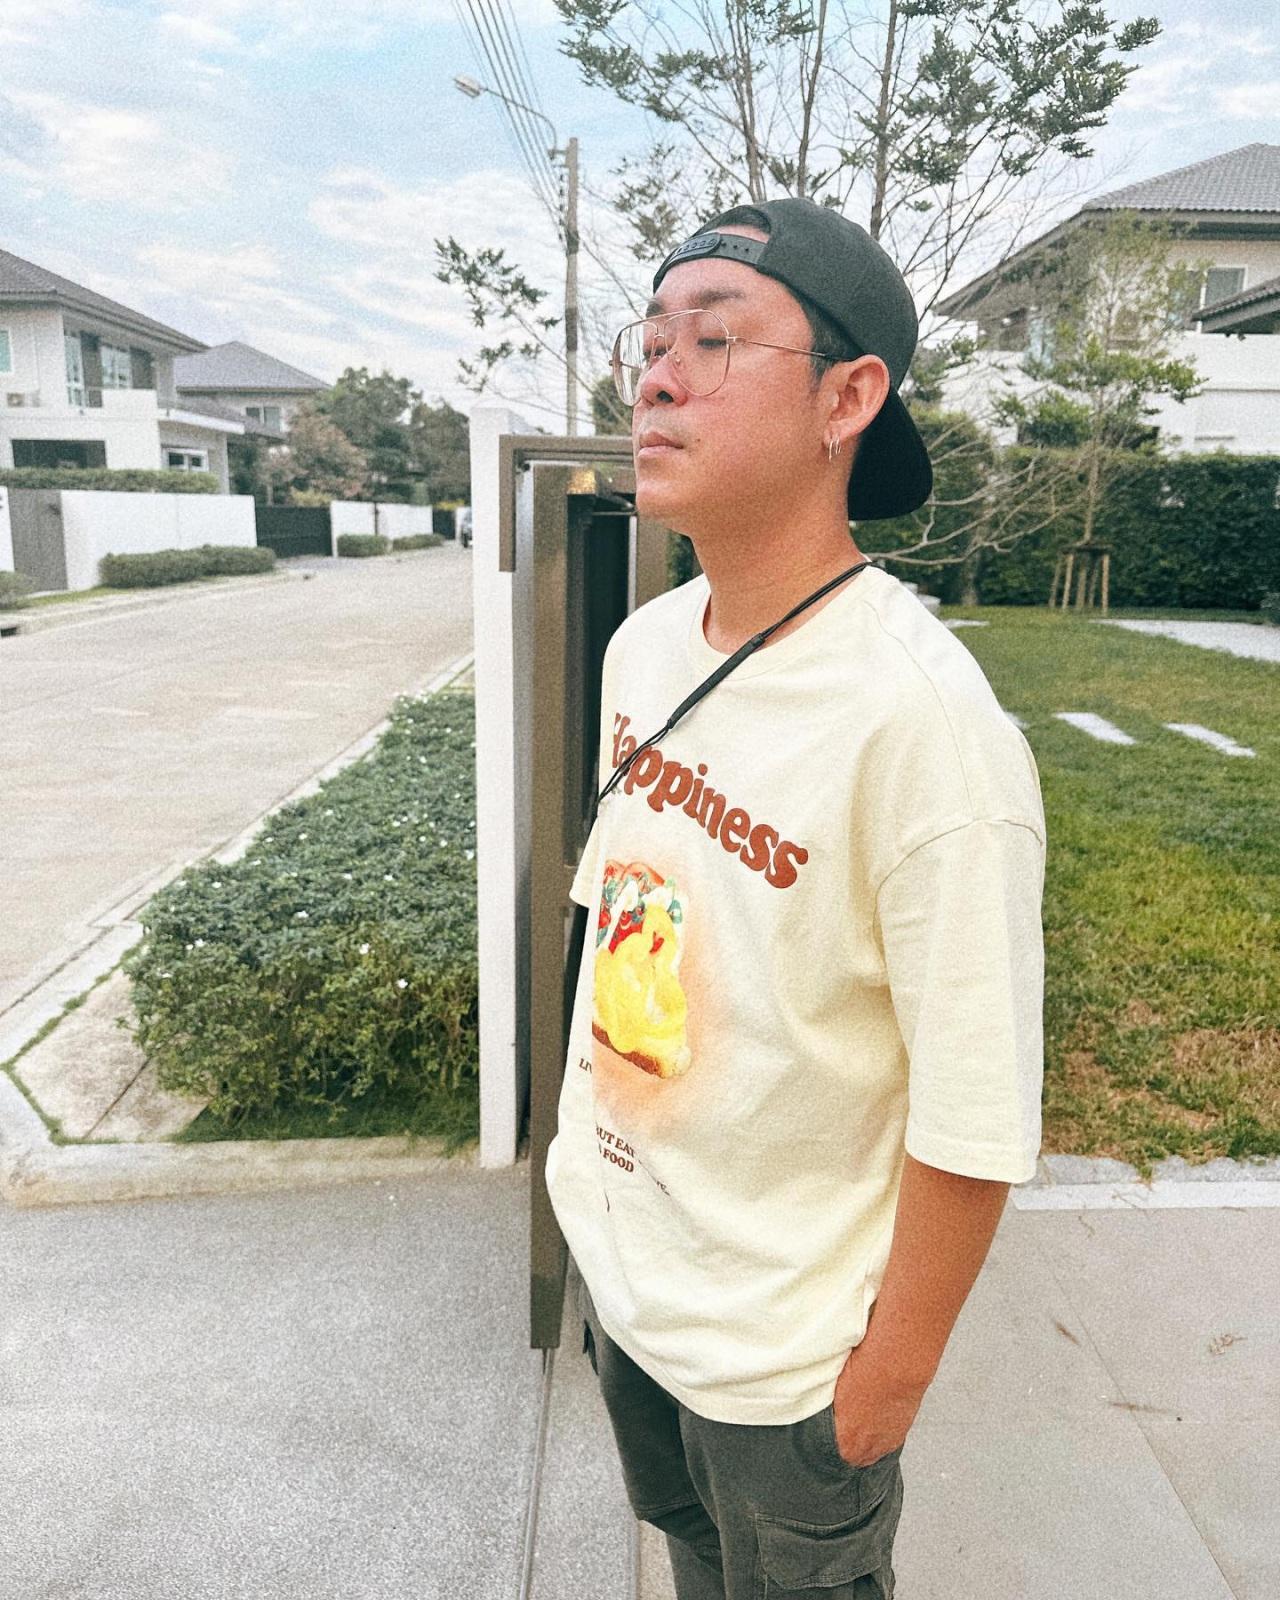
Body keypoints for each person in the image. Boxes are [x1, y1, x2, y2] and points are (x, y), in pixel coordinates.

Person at [544, 197, 1046, 1599]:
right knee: (694, 1565)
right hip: (633, 1281)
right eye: (652, 340)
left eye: (713, 340)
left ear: (848, 398)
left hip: (788, 1362)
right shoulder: (648, 647)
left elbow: (976, 1109)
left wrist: (883, 1388)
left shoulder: (926, 731)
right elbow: (628, 913)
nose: (656, 378)